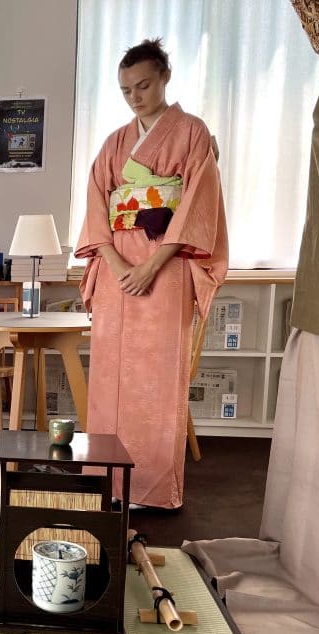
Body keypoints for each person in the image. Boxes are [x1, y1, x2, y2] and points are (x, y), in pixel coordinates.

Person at [75, 39, 228, 510]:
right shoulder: (115, 143)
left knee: (157, 379)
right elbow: (98, 206)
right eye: (126, 90)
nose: (135, 96)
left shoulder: (192, 133)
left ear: (164, 77)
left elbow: (197, 207)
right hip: (116, 269)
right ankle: (108, 478)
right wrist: (120, 264)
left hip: (166, 268)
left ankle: (152, 487)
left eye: (143, 85)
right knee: (108, 378)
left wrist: (152, 265)